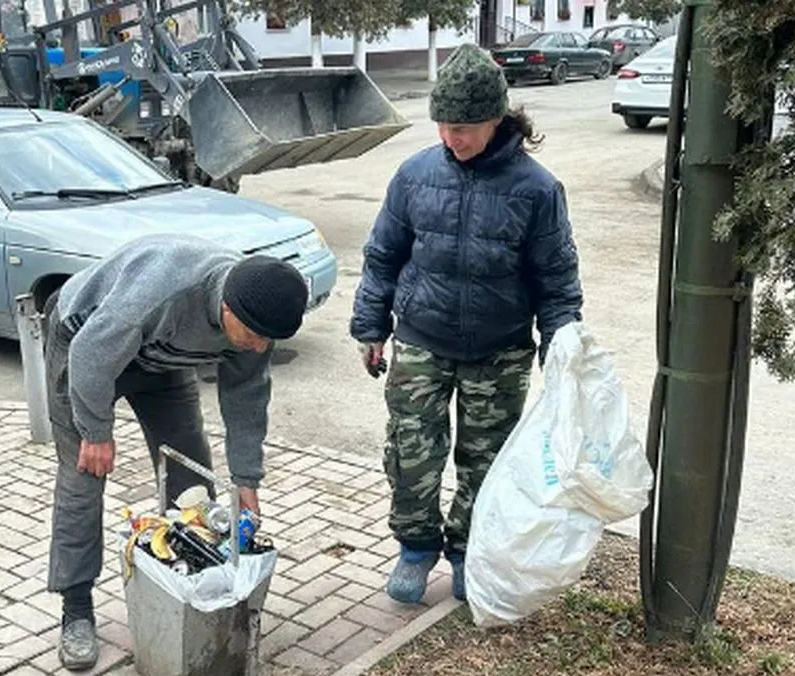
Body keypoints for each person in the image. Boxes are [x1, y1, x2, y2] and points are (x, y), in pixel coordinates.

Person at [349, 43, 584, 605]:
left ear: (496, 120)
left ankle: (466, 550)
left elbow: (557, 282)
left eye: (464, 128)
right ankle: (415, 546)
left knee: (486, 462)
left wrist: (562, 352)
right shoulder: (414, 176)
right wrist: (370, 326)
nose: (452, 139)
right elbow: (383, 255)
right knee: (411, 452)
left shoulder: (537, 190)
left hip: (499, 352)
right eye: (443, 127)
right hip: (421, 341)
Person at [41, 233, 309, 671]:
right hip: (84, 343)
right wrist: (96, 431)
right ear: (228, 309)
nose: (260, 347)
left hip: (160, 361)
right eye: (257, 336)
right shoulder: (159, 295)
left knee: (193, 479)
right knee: (84, 476)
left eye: (269, 340)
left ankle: (188, 580)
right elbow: (92, 352)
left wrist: (246, 479)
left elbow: (246, 399)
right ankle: (76, 608)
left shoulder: (256, 316)